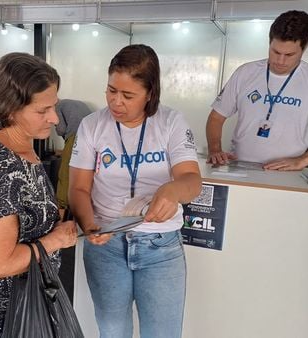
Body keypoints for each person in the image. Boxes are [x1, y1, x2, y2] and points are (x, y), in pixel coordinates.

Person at [69, 44, 202, 338]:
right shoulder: (92, 125)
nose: (116, 102)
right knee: (112, 332)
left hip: (160, 246)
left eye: (128, 95)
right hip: (106, 245)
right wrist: (90, 226)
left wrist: (172, 190)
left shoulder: (171, 122)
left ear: (150, 93)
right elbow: (78, 188)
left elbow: (192, 180)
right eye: (111, 90)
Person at [0, 52, 78, 338]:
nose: (53, 117)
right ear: (10, 110)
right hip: (6, 318)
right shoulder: (1, 169)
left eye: (54, 106)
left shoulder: (20, 149)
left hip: (24, 304)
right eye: (42, 110)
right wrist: (54, 241)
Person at [206, 10, 308, 171]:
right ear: (269, 43)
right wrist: (215, 149)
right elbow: (216, 118)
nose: (280, 61)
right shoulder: (245, 73)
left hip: (286, 174)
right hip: (240, 168)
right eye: (275, 52)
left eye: (289, 54)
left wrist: (303, 160)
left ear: (305, 47)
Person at [54, 99, 92, 217]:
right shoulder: (78, 103)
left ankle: (61, 213)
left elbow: (61, 130)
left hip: (76, 136)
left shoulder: (58, 107)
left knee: (65, 174)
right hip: (91, 139)